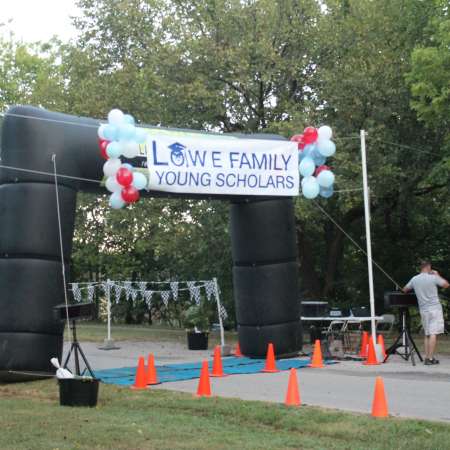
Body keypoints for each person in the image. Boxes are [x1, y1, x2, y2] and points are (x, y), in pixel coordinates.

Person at [403, 260, 449, 365]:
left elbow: (405, 289)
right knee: (433, 333)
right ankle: (430, 358)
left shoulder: (414, 279)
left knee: (427, 333)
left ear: (421, 267)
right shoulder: (433, 277)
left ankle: (427, 357)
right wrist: (437, 274)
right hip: (435, 309)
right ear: (429, 267)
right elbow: (446, 285)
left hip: (423, 309)